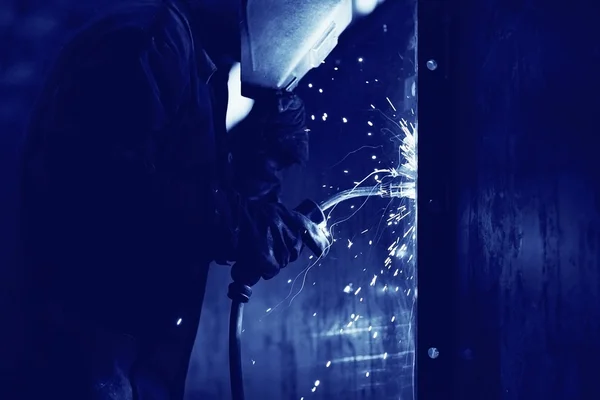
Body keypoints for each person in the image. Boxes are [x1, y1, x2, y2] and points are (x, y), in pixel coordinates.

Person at [15, 0, 330, 398]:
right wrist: (246, 227)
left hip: (132, 357)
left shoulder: (198, 63)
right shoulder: (145, 41)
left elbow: (209, 198)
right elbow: (121, 193)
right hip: (88, 353)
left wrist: (269, 142)